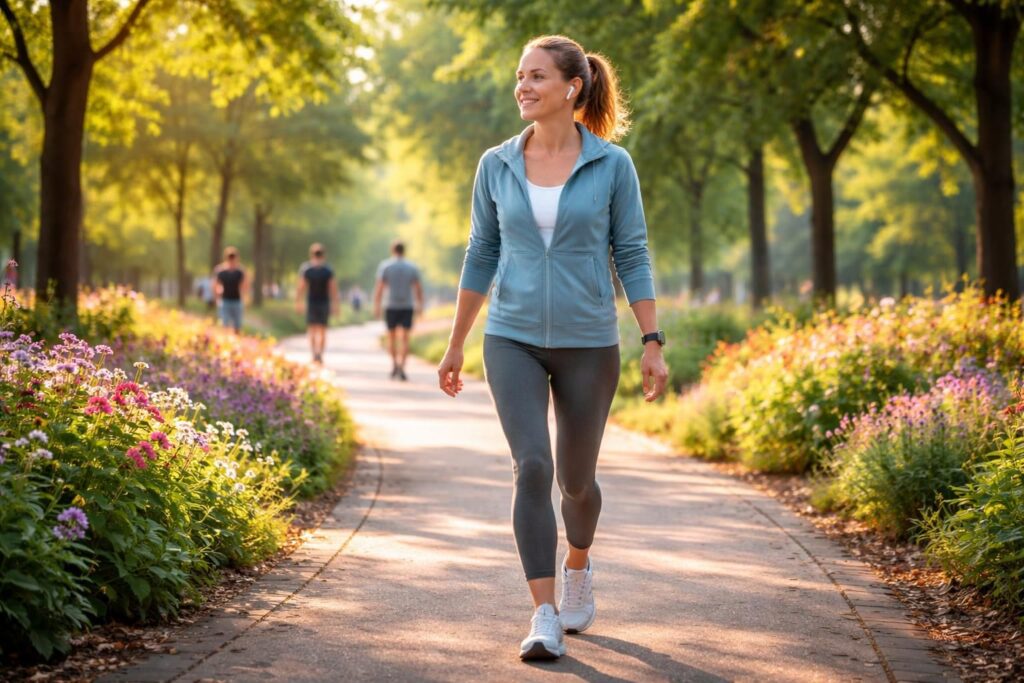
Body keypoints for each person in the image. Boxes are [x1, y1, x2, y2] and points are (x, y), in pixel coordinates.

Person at [436, 35, 669, 661]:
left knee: (576, 481)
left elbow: (633, 253)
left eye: (536, 76)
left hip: (589, 341)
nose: (523, 87)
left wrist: (651, 340)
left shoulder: (612, 165)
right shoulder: (496, 163)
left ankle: (579, 564)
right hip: (510, 336)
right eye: (519, 76)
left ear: (572, 87)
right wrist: (457, 343)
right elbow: (481, 251)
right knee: (531, 467)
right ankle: (543, 613)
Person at [373, 240, 423, 381]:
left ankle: (394, 364)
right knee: (405, 338)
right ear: (404, 251)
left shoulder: (385, 266)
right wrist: (420, 306)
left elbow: (380, 288)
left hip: (391, 306)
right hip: (407, 306)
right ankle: (402, 367)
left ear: (392, 250)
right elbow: (418, 288)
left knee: (392, 337)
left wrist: (376, 305)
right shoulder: (412, 267)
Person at [296, 243, 340, 364]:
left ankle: (314, 354)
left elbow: (301, 287)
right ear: (323, 255)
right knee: (322, 330)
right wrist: (336, 305)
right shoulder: (328, 270)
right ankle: (320, 354)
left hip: (311, 302)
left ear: (311, 254)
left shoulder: (307, 269)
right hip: (324, 303)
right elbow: (333, 289)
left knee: (312, 330)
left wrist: (298, 302)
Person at [213, 247, 248, 333]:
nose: (231, 260)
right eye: (230, 258)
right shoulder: (220, 271)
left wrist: (244, 298)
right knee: (225, 325)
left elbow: (245, 285)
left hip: (237, 301)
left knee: (237, 326)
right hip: (225, 301)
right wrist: (217, 296)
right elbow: (215, 285)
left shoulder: (240, 271)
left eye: (233, 258)